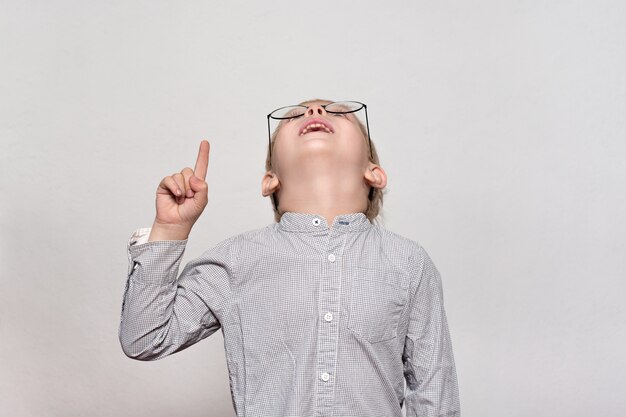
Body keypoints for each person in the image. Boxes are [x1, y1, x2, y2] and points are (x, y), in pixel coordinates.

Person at [119, 99, 460, 417]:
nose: (314, 110)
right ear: (269, 180)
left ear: (375, 173)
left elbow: (434, 394)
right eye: (295, 114)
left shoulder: (409, 263)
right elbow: (145, 337)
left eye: (337, 111)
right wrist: (169, 228)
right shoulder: (236, 259)